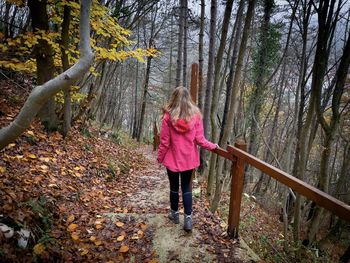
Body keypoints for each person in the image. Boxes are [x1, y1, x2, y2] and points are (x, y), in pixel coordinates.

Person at [157, 86, 218, 232]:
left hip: (172, 159)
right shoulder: (196, 116)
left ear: (174, 98)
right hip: (189, 159)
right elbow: (200, 140)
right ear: (188, 99)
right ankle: (188, 220)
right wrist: (213, 146)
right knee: (186, 188)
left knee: (173, 187)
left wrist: (160, 158)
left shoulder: (168, 117)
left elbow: (164, 142)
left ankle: (175, 215)